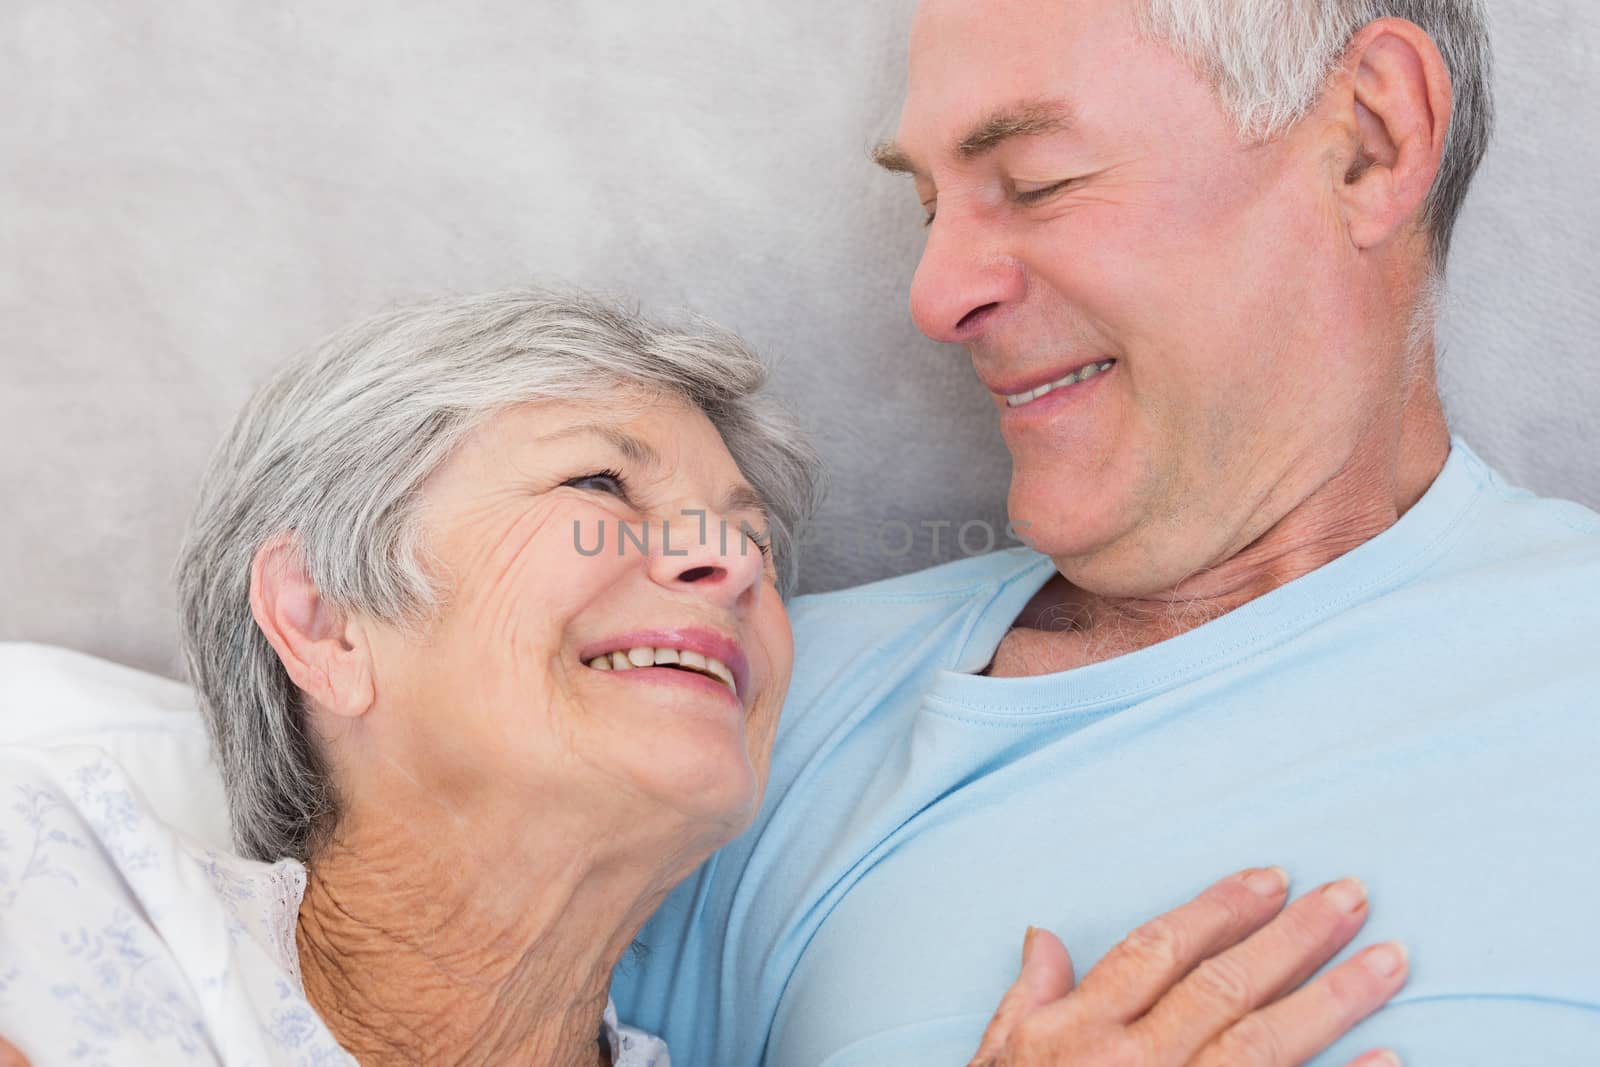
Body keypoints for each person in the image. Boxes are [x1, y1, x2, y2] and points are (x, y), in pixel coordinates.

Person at [0, 291, 1403, 1065]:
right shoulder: (47, 882)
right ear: (321, 615)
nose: (731, 567)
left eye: (748, 536)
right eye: (603, 483)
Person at [610, 1, 1600, 1064]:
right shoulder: (742, 684)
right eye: (929, 207)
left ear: (1369, 140)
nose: (934, 295)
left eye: (1038, 182)